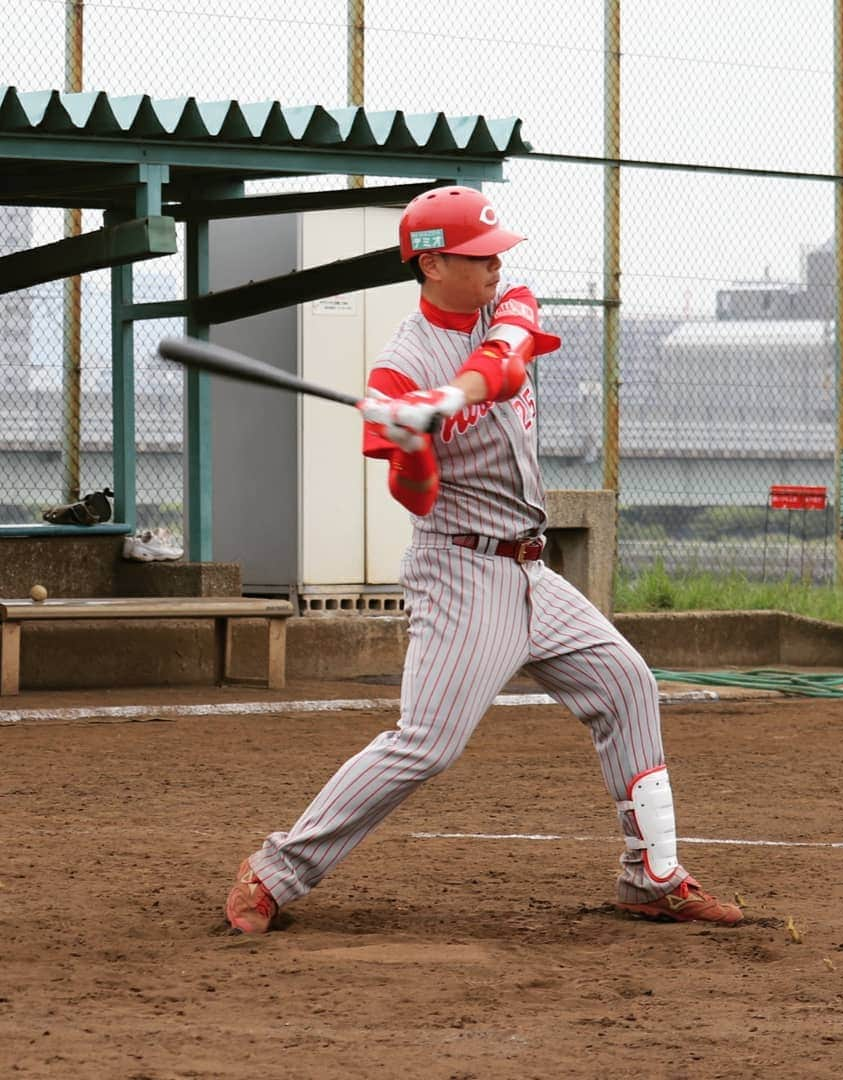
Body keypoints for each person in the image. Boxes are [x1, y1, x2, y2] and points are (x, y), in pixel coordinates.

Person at [225, 185, 743, 932]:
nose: (498, 268)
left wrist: (447, 398)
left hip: (532, 569)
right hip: (462, 570)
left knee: (627, 682)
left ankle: (653, 875)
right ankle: (275, 871)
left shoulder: (506, 304)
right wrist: (411, 441)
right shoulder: (398, 370)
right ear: (432, 263)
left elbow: (507, 359)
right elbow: (418, 497)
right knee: (427, 744)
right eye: (480, 258)